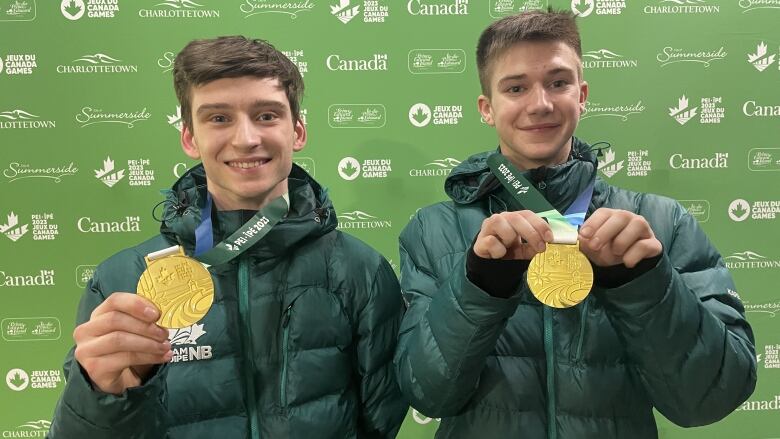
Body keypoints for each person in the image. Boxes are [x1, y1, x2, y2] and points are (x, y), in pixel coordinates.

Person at [394, 9, 756, 439]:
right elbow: (426, 393)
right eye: (515, 87)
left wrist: (642, 285)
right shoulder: (433, 230)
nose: (541, 103)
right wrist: (481, 284)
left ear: (582, 95)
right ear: (487, 108)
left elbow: (711, 396)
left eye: (558, 82)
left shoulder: (660, 225)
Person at [48, 36, 407, 439]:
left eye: (267, 115)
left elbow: (381, 424)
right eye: (219, 118)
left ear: (298, 131)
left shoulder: (361, 270)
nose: (246, 139)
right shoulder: (122, 280)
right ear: (189, 138)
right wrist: (100, 393)